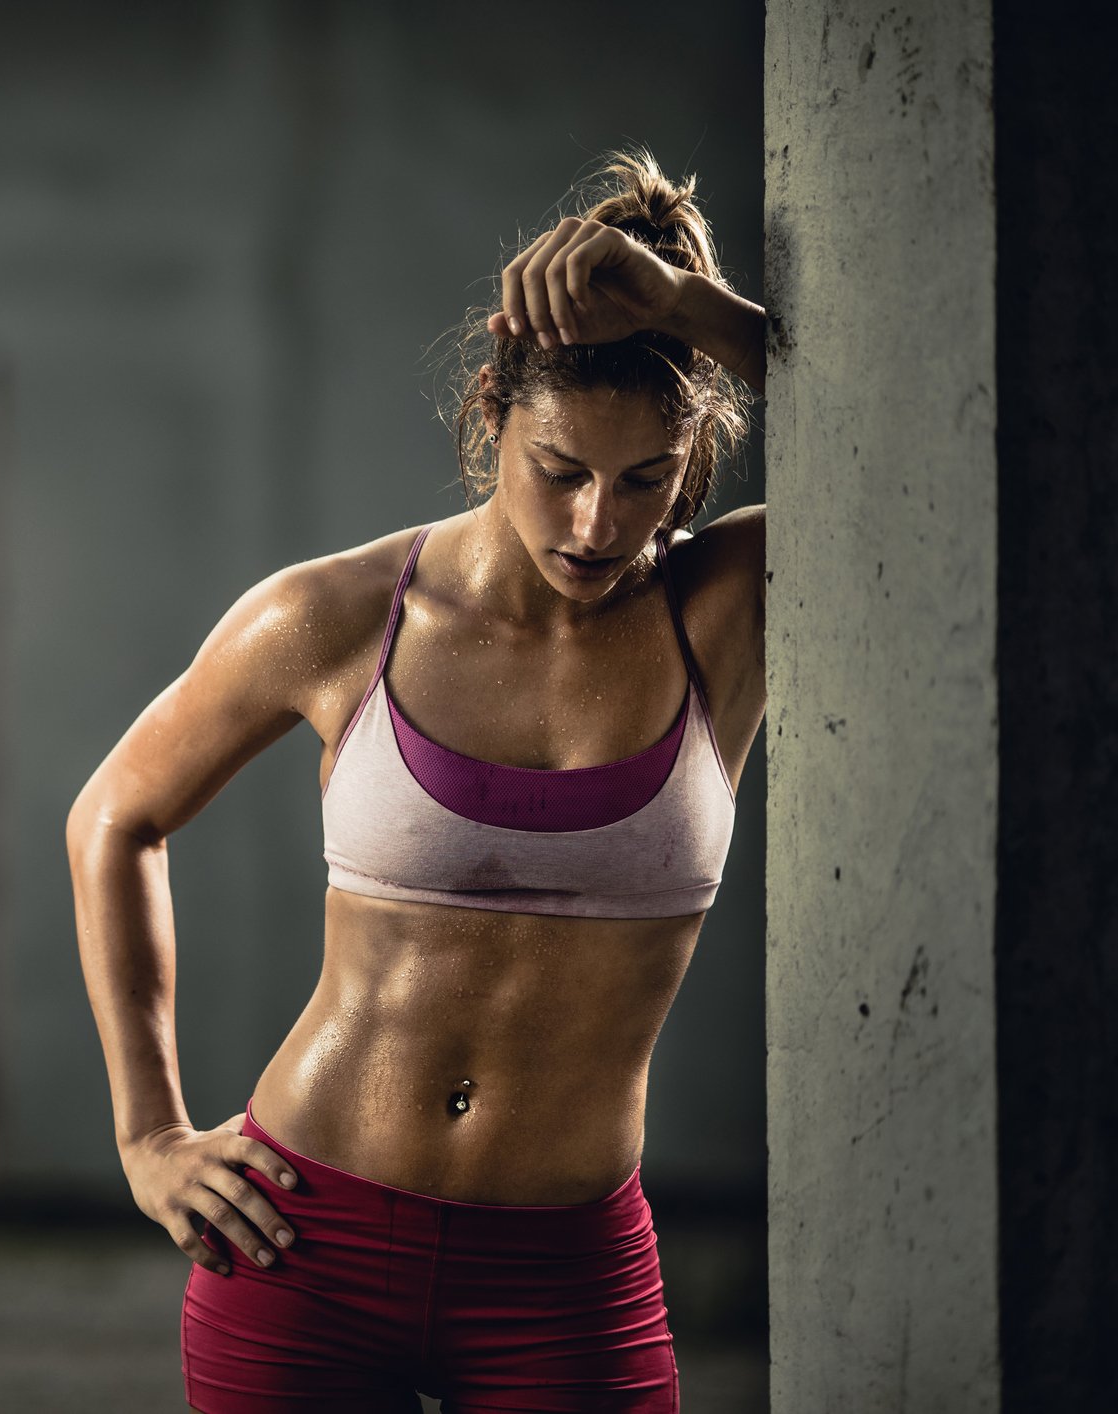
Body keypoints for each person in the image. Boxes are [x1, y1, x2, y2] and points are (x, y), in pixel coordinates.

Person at [65, 149, 768, 1413]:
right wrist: (150, 1136)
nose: (599, 524)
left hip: (565, 1270)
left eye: (646, 480)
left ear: (693, 460)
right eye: (560, 469)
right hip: (304, 1243)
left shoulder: (726, 612)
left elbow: (933, 419)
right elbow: (116, 815)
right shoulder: (335, 615)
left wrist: (688, 310)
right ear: (493, 411)